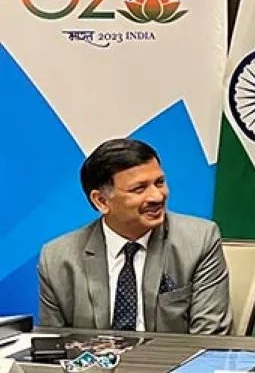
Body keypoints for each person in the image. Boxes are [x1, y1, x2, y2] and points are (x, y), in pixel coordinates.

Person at [38, 138, 231, 334]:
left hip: (174, 363)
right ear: (101, 201)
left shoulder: (199, 240)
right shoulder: (57, 259)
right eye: (139, 189)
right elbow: (54, 344)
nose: (156, 197)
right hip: (94, 363)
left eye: (160, 183)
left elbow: (209, 337)